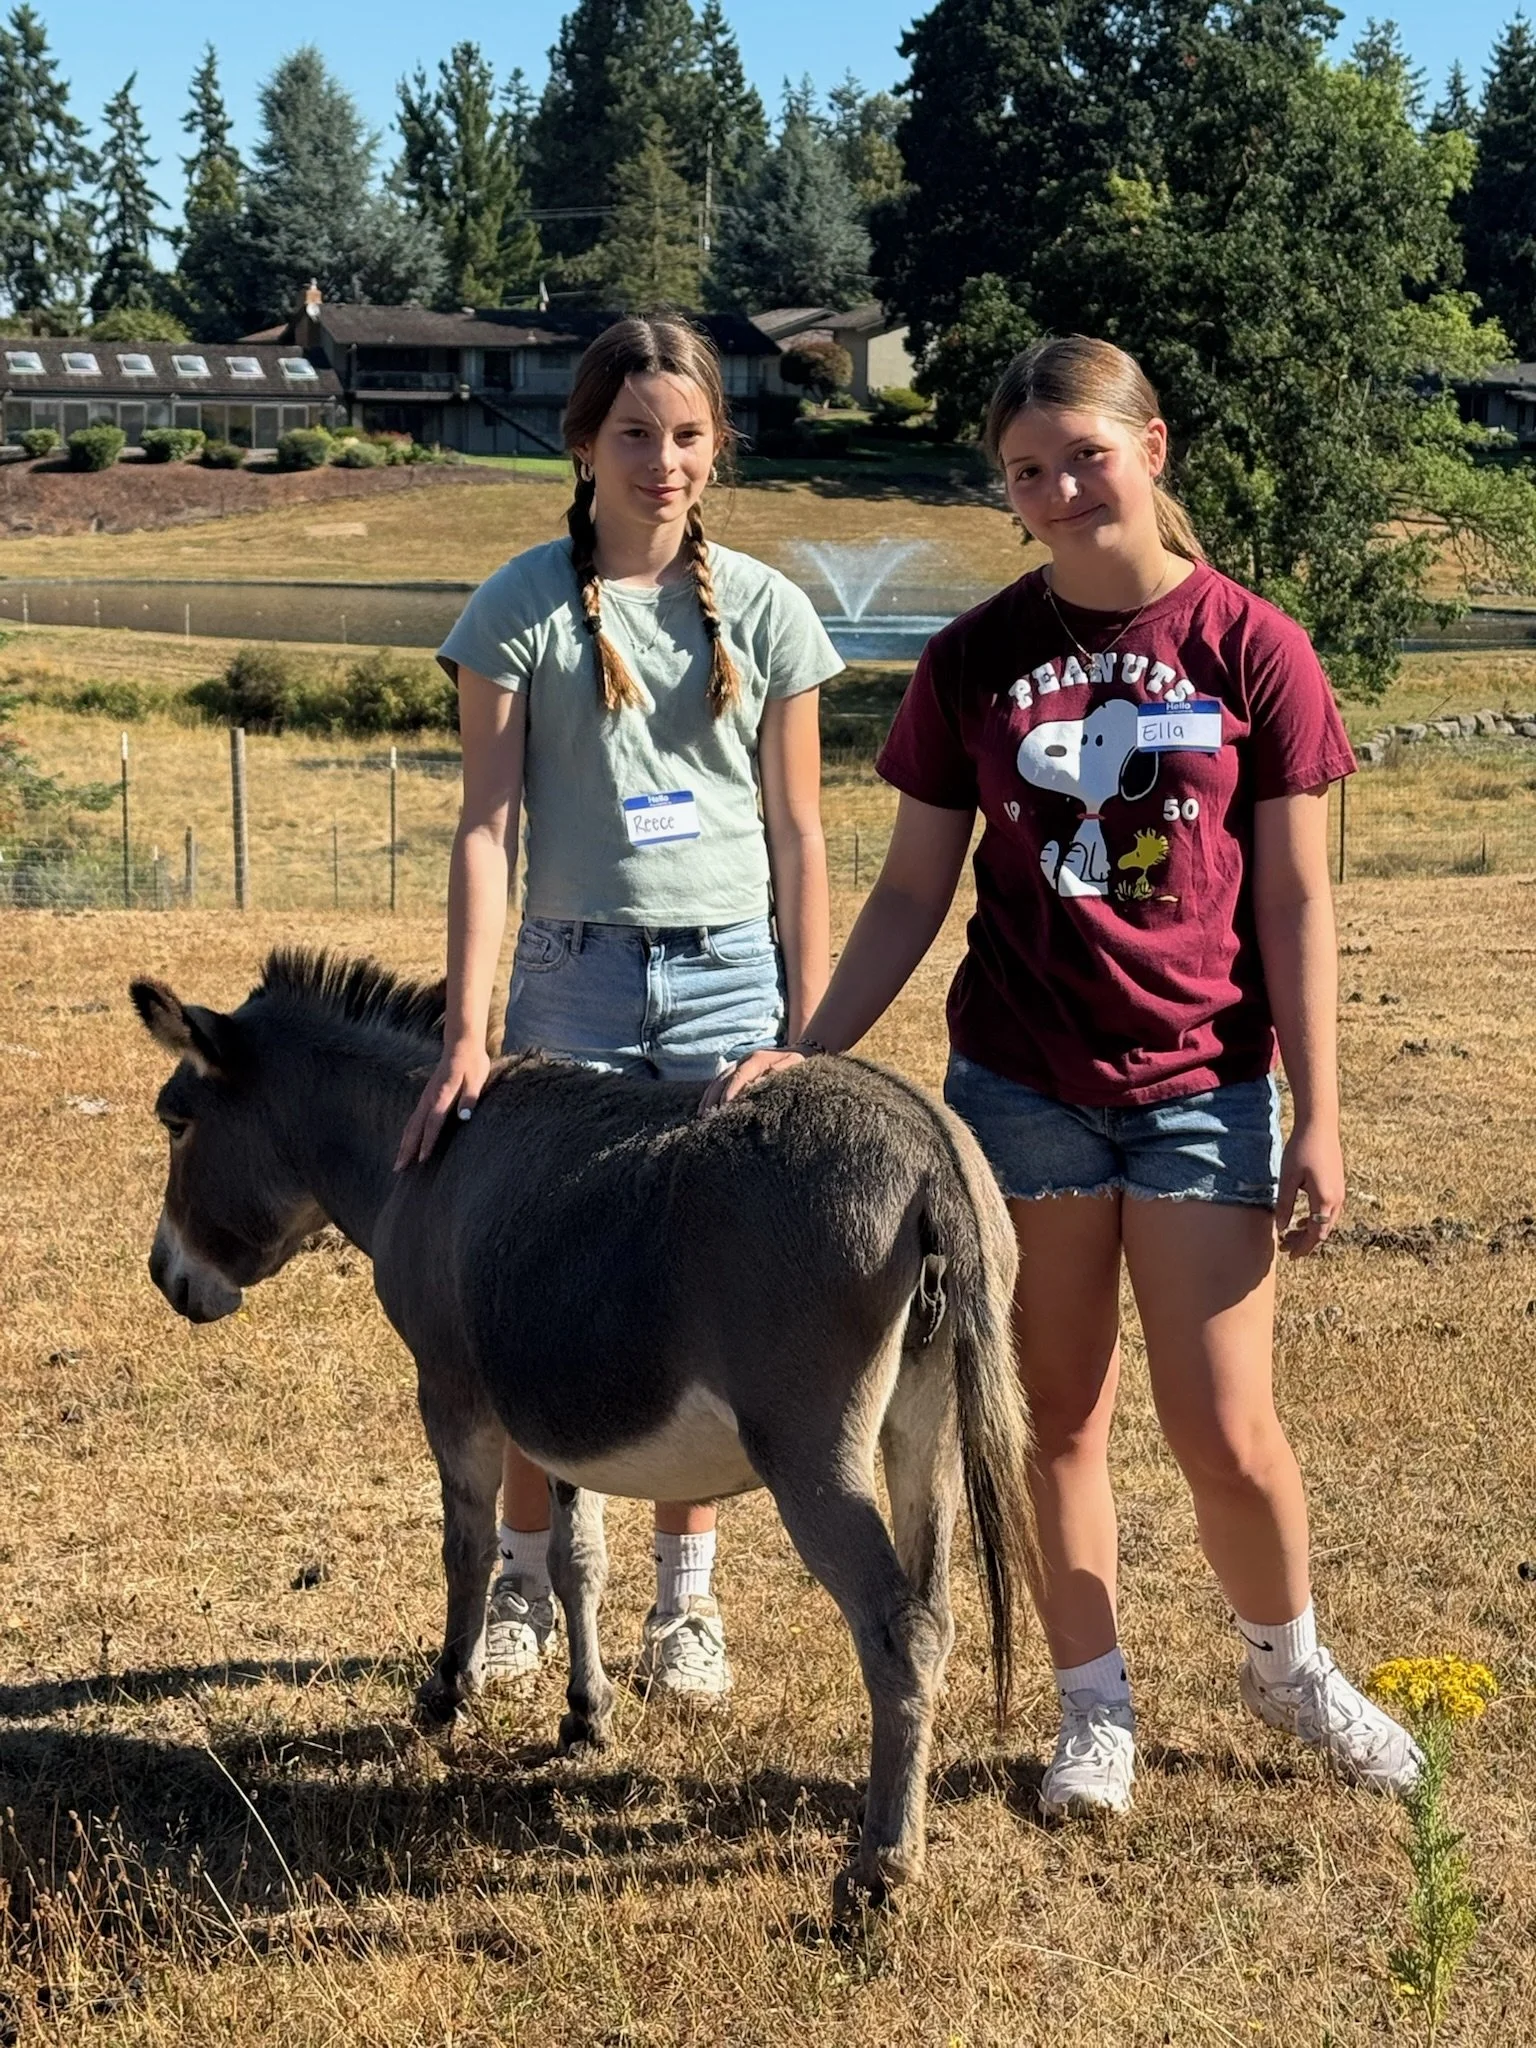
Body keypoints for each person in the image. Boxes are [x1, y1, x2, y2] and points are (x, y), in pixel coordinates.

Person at [710, 334, 1422, 1814]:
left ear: (1152, 450)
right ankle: (1094, 1709)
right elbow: (912, 891)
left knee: (1226, 1429)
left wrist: (1323, 1115)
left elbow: (1294, 902)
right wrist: (811, 1045)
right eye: (1026, 472)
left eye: (1082, 456)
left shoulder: (1254, 645)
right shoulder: (976, 658)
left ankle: (1289, 1666)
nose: (1055, 489)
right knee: (1055, 1416)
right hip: (1018, 1091)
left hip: (1205, 1092)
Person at [397, 315, 838, 1702]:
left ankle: (684, 1605)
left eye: (690, 434)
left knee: (702, 1290)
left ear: (720, 447)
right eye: (635, 434)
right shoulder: (516, 607)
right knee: (551, 1286)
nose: (665, 460)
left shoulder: (767, 611)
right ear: (584, 445)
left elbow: (804, 832)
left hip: (728, 978)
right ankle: (527, 1580)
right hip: (572, 979)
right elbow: (485, 830)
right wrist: (470, 1032)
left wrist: (811, 1027)